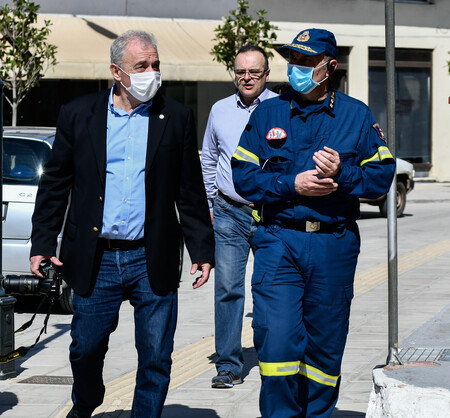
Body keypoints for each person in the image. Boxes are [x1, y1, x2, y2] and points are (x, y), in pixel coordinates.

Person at [30, 30, 215, 418]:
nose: (152, 73)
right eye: (141, 66)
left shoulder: (176, 117)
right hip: (96, 258)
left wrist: (202, 251)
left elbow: (190, 191)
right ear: (117, 71)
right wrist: (43, 242)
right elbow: (56, 184)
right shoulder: (79, 114)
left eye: (156, 65)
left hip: (152, 256)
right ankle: (85, 402)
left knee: (156, 355)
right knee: (85, 347)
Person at [231, 28, 395, 417]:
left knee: (325, 345)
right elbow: (242, 176)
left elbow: (381, 178)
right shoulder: (268, 113)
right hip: (278, 242)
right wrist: (292, 184)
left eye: (307, 61)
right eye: (293, 61)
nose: (297, 68)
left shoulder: (357, 115)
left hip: (333, 245)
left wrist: (344, 174)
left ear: (330, 67)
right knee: (277, 342)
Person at [201, 45, 277, 388]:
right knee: (228, 288)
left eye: (254, 72)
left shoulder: (281, 109)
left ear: (266, 75)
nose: (246, 77)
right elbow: (208, 159)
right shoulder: (219, 110)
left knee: (271, 289)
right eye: (241, 71)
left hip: (272, 214)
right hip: (229, 211)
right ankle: (228, 365)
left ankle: (273, 356)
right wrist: (209, 205)